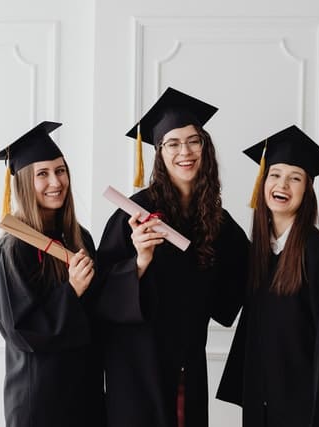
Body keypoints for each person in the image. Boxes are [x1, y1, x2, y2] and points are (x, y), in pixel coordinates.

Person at [96, 87, 250, 427]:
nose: (185, 151)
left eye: (194, 141)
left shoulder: (219, 222)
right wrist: (140, 260)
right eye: (173, 143)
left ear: (205, 148)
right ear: (159, 153)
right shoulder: (133, 215)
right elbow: (99, 294)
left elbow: (236, 289)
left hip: (187, 363)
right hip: (136, 366)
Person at [217, 125, 319, 426]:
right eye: (274, 174)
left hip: (306, 412)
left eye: (294, 178)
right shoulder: (260, 254)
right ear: (262, 182)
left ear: (307, 190)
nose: (282, 183)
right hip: (263, 406)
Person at [0, 121, 105, 427]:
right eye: (43, 174)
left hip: (86, 390)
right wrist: (72, 290)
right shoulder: (12, 251)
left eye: (61, 170)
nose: (56, 181)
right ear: (25, 182)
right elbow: (21, 331)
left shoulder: (81, 238)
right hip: (40, 397)